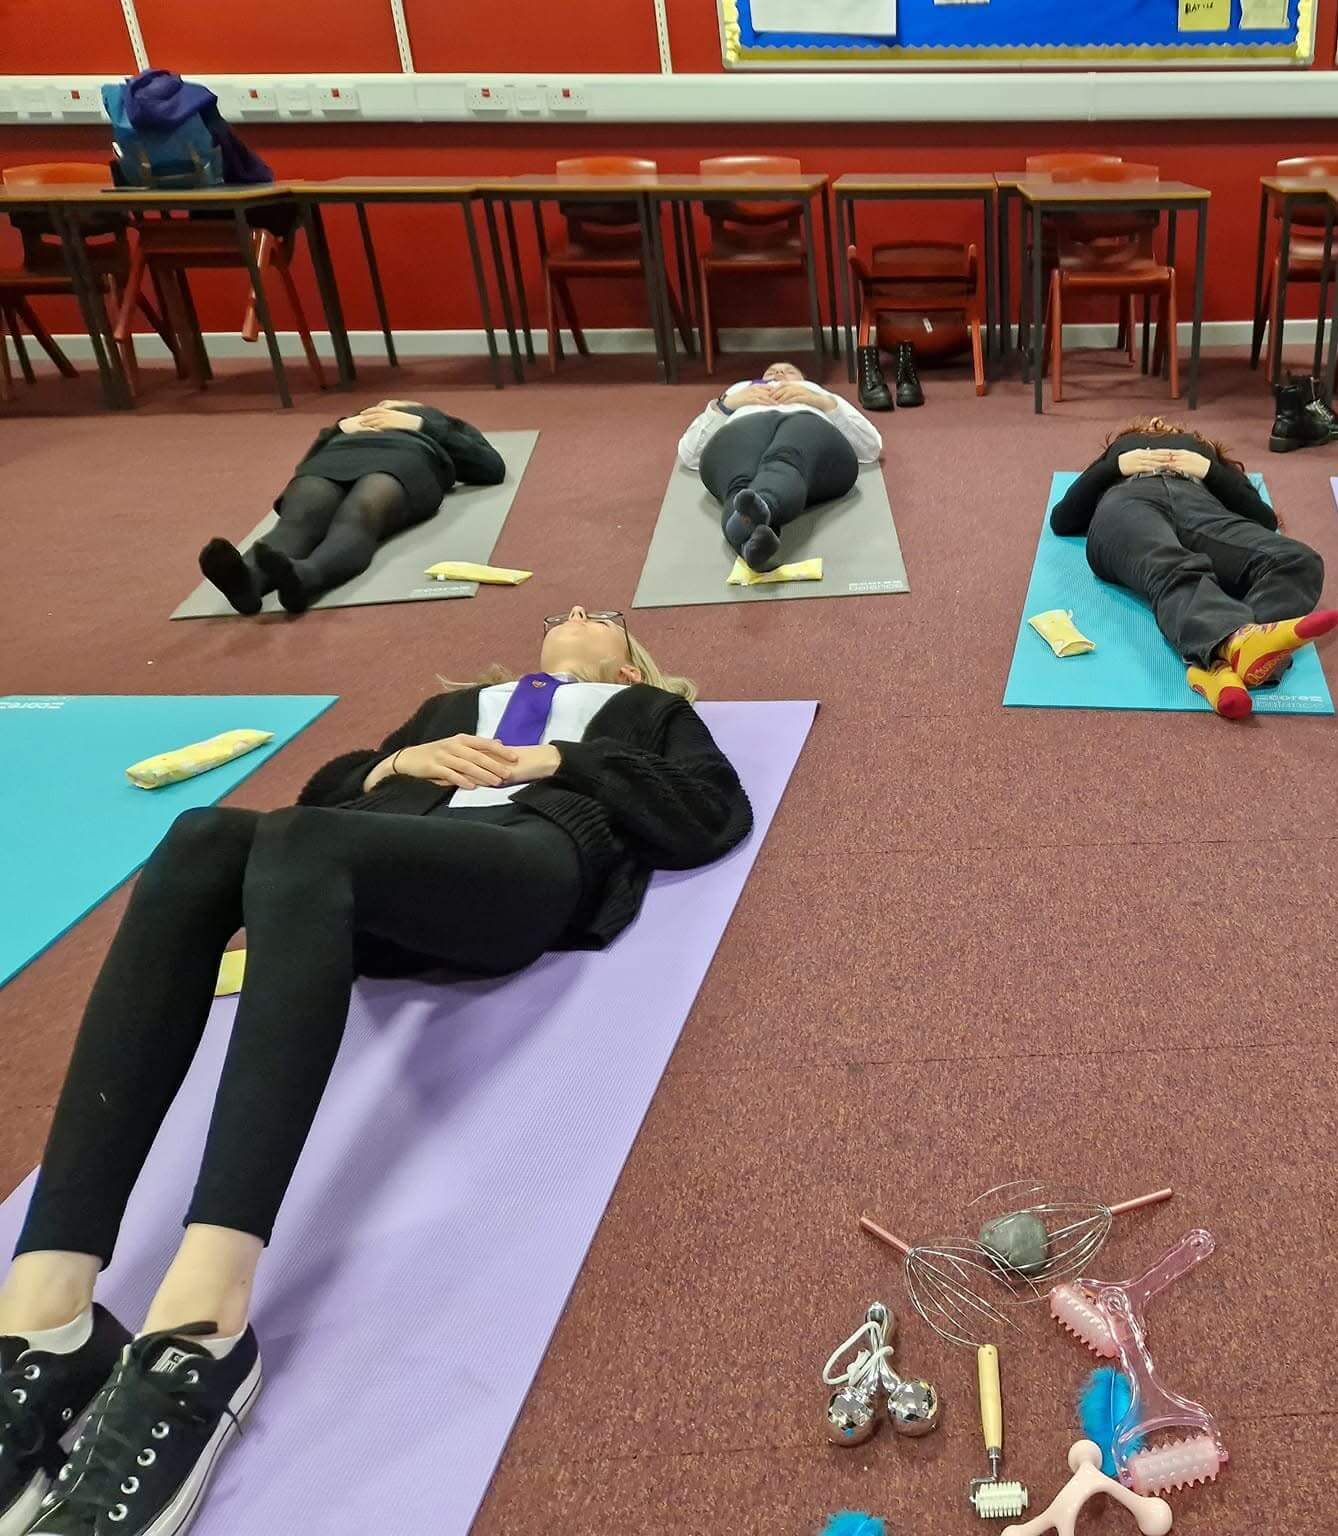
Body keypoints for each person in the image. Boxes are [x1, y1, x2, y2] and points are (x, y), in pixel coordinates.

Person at [0, 610, 750, 1536]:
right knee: (202, 835)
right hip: (369, 871)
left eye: (602, 617)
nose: (575, 615)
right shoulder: (453, 704)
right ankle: (45, 1318)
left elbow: (712, 811)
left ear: (632, 660)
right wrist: (399, 766)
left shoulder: (648, 713)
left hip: (521, 863)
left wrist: (561, 764)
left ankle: (201, 1325)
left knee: (301, 842)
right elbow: (331, 789)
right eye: (559, 612)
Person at [1049, 416, 1338, 720]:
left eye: (1173, 429)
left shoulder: (1203, 453)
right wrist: (1115, 466)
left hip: (1200, 505)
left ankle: (1219, 663)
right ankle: (1235, 645)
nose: (1159, 422)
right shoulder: (1120, 453)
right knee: (1173, 565)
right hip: (1127, 501)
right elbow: (1063, 519)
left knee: (1297, 560)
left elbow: (1262, 517)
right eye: (1150, 427)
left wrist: (1208, 469)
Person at [197, 400, 505, 616]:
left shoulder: (438, 420)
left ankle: (306, 577)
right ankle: (247, 581)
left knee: (359, 513)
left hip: (406, 456)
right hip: (338, 455)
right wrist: (338, 429)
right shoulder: (352, 421)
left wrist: (420, 422)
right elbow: (305, 463)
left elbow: (490, 467)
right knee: (299, 518)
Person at [678, 361, 883, 574]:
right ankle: (752, 539)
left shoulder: (815, 391)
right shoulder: (740, 389)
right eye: (771, 371)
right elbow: (689, 453)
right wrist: (726, 405)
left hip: (806, 425)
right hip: (742, 428)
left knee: (784, 461)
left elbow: (870, 448)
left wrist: (822, 402)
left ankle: (757, 511)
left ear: (804, 380)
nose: (779, 374)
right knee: (739, 483)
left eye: (789, 371)